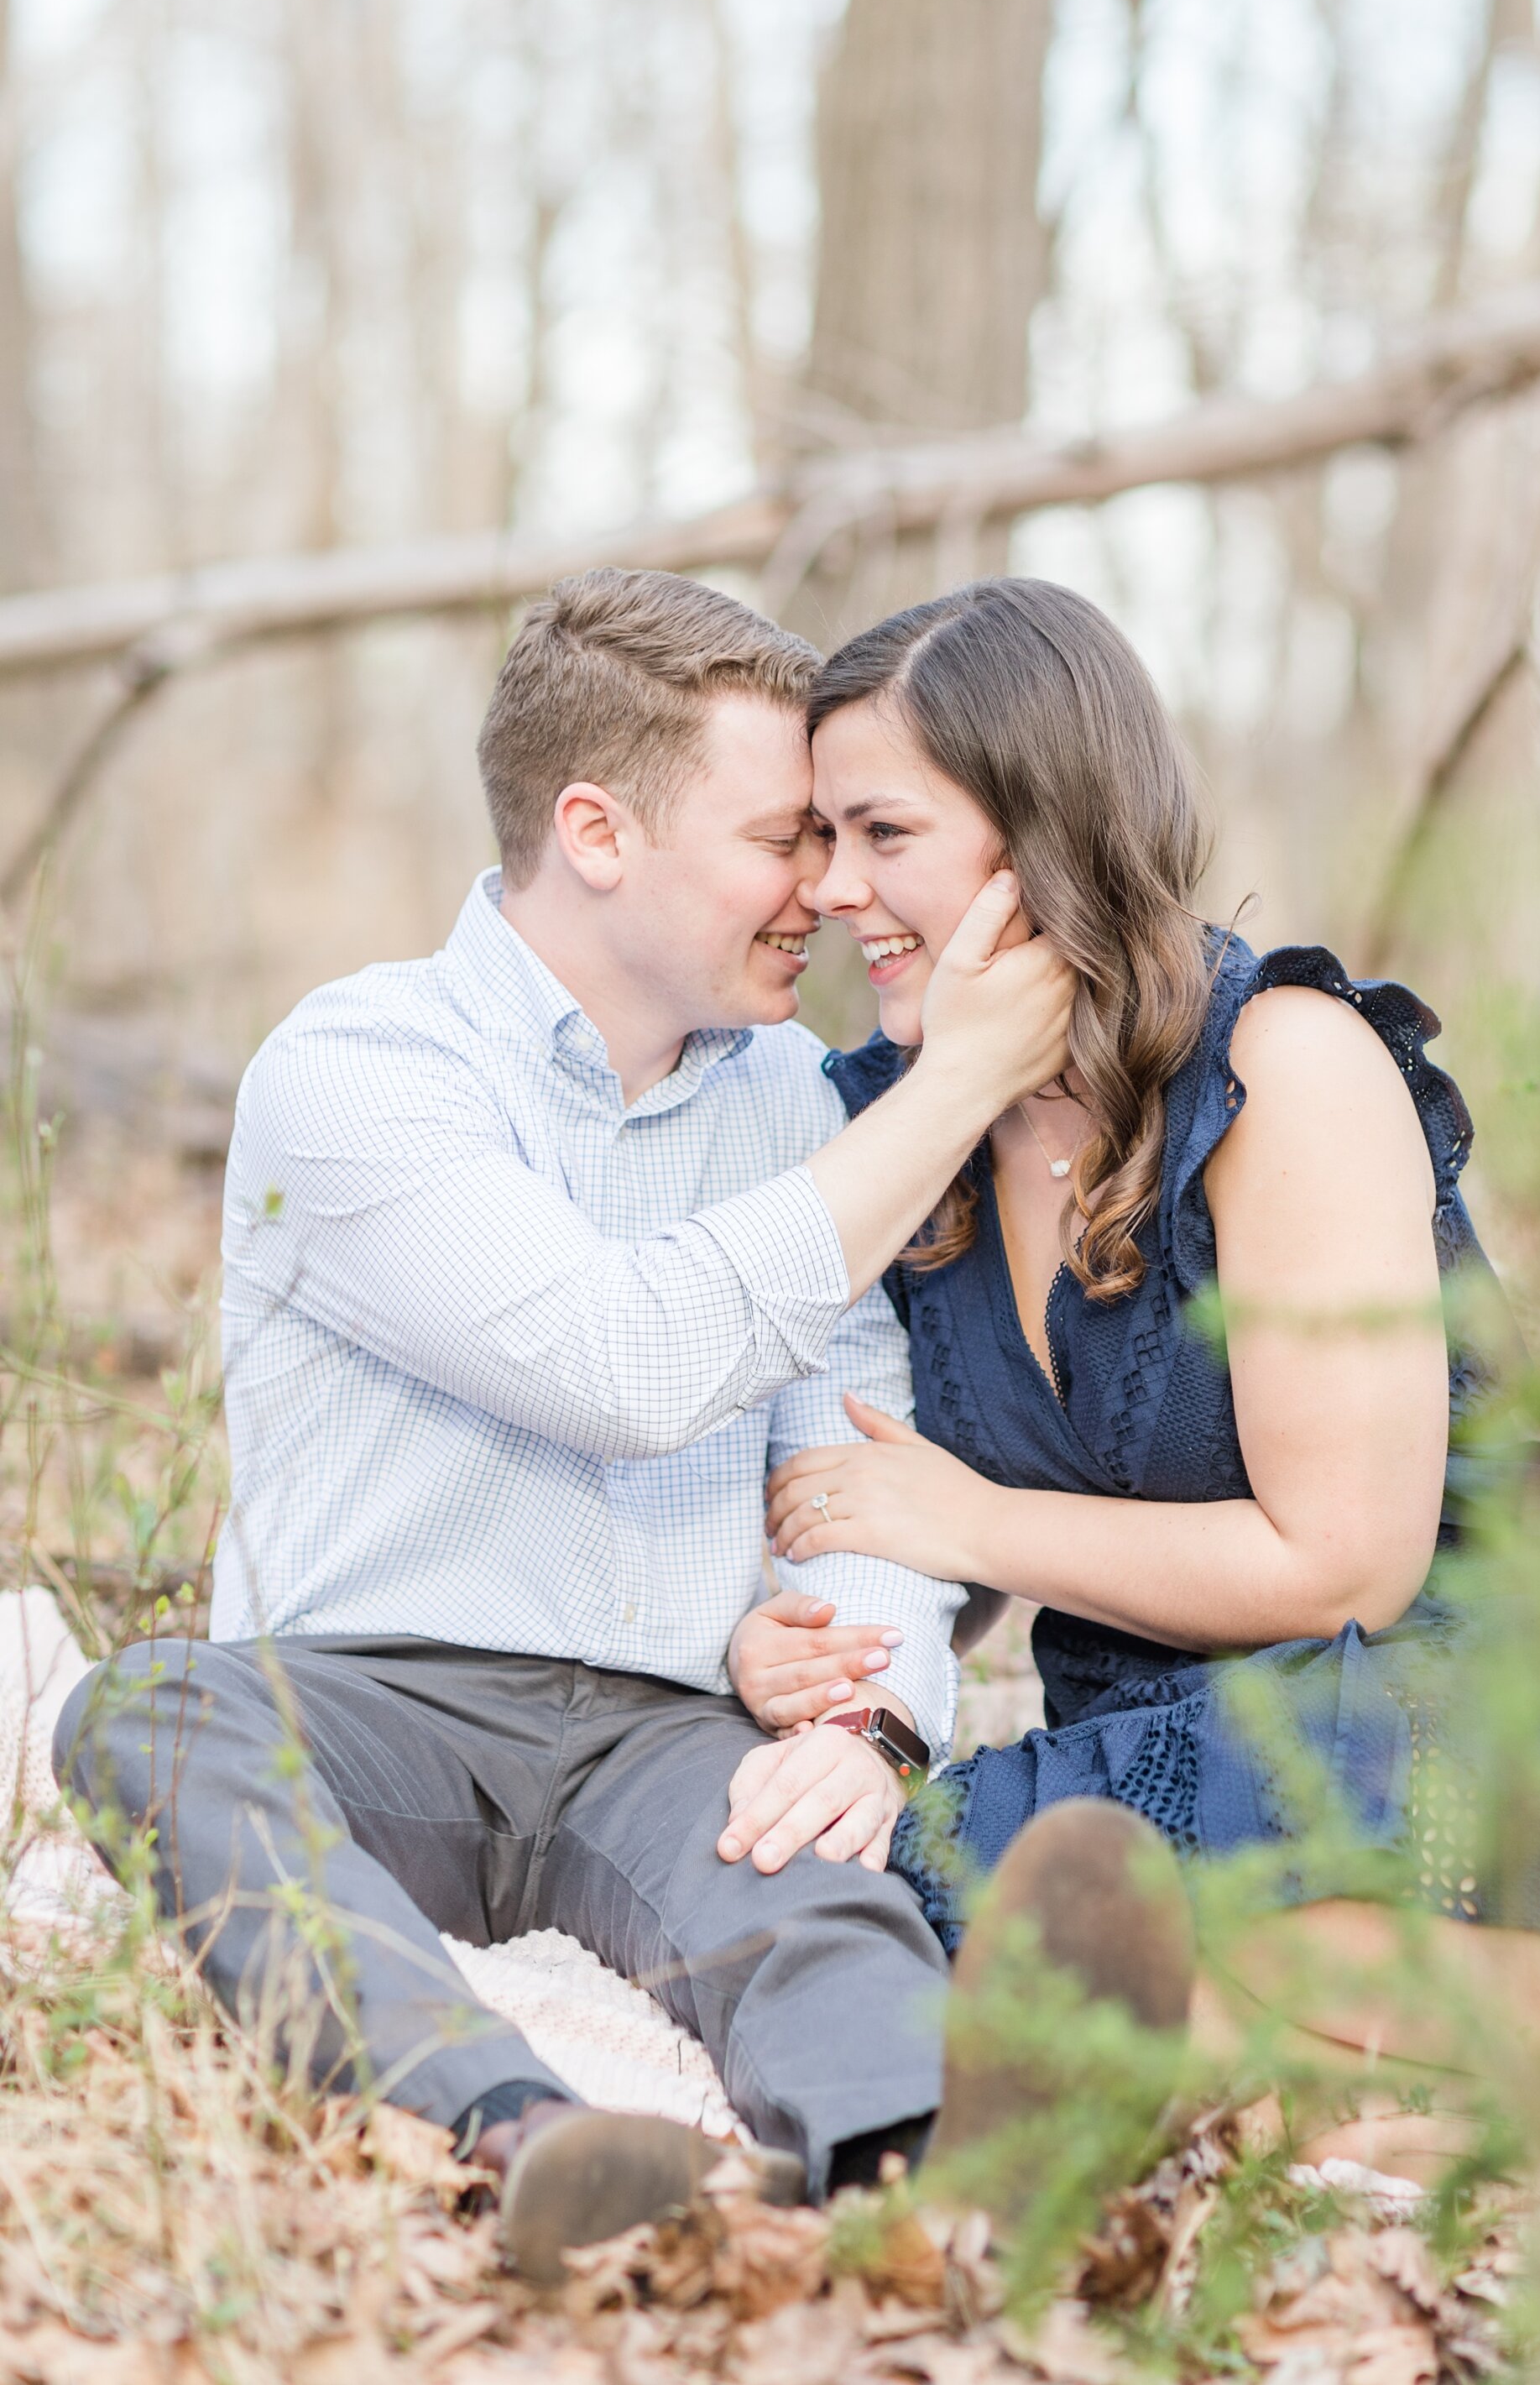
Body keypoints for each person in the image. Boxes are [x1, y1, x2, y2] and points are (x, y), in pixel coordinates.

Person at [54, 567, 1077, 2273]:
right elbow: (619, 1367)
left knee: (811, 1877)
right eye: (780, 841)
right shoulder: (361, 1073)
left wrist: (871, 1717)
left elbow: (863, 1460)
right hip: (374, 1702)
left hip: (657, 1734)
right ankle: (518, 2124)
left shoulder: (789, 1108)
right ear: (596, 832)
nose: (825, 891)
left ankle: (933, 2183)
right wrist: (959, 1080)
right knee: (146, 1715)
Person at [729, 575, 1540, 2161]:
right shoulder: (901, 1120)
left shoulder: (1282, 1068)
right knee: (918, 1893)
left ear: (1040, 832)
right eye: (819, 839)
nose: (831, 888)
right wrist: (820, 1667)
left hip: (1454, 1672)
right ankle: (1396, 2087)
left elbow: (1345, 1569)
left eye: (881, 833)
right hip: (1171, 1710)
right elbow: (878, 1508)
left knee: (1049, 1906)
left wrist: (961, 1527)